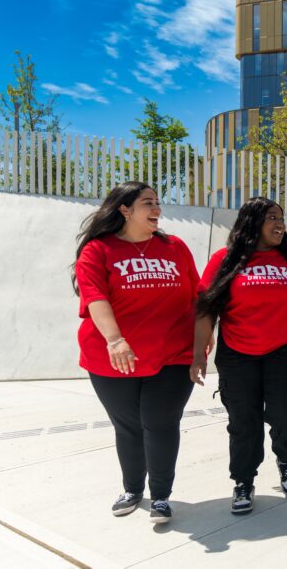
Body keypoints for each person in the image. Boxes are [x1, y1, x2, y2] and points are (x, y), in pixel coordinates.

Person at [71, 181, 199, 525]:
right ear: (125, 210)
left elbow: (196, 299)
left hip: (173, 354)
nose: (157, 209)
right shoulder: (98, 250)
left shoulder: (176, 248)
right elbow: (95, 297)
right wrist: (115, 339)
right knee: (128, 427)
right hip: (112, 356)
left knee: (160, 422)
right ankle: (132, 489)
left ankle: (160, 496)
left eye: (158, 202)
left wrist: (201, 347)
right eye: (148, 203)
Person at [192, 197, 287, 515]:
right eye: (272, 217)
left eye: (282, 217)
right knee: (243, 423)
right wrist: (198, 354)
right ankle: (244, 481)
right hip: (237, 354)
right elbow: (206, 308)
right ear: (252, 222)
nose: (280, 224)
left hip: (284, 351)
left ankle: (286, 457)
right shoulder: (225, 259)